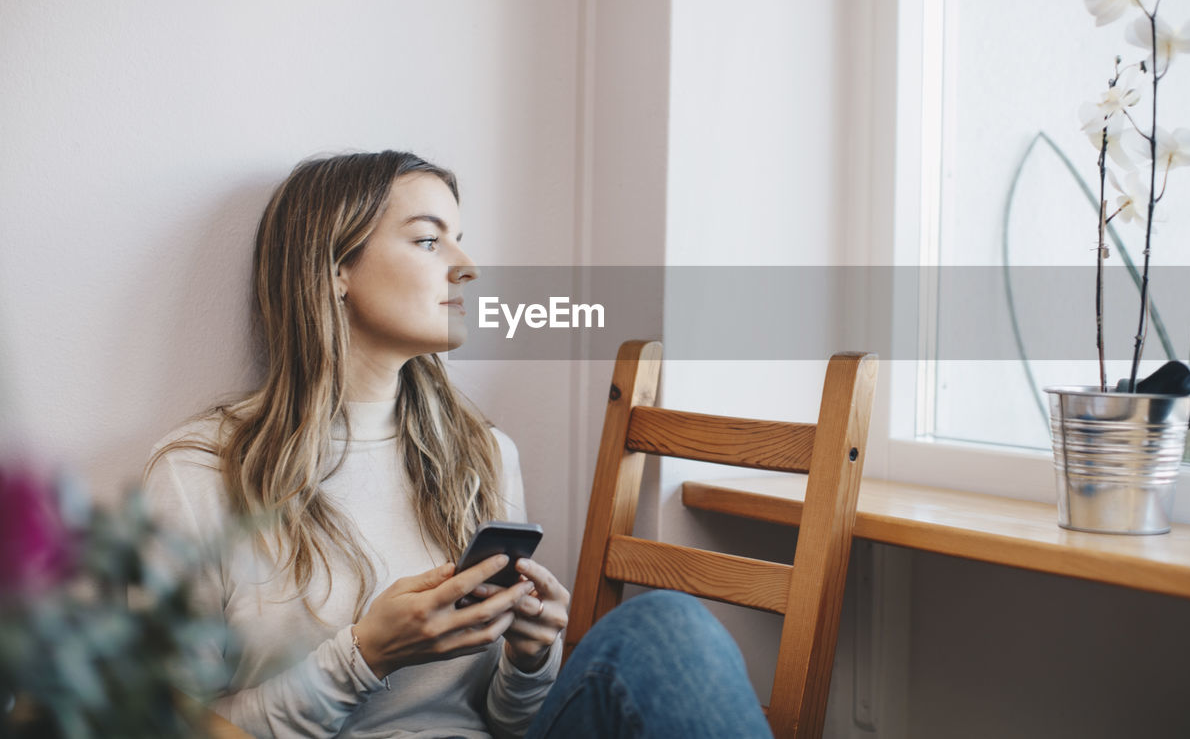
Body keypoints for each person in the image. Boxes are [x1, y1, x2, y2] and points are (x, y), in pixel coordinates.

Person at [144, 151, 772, 738]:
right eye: (427, 239)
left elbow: (504, 723)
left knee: (666, 626)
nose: (466, 266)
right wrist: (364, 657)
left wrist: (530, 660)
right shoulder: (200, 475)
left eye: (459, 239)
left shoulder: (483, 455)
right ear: (336, 267)